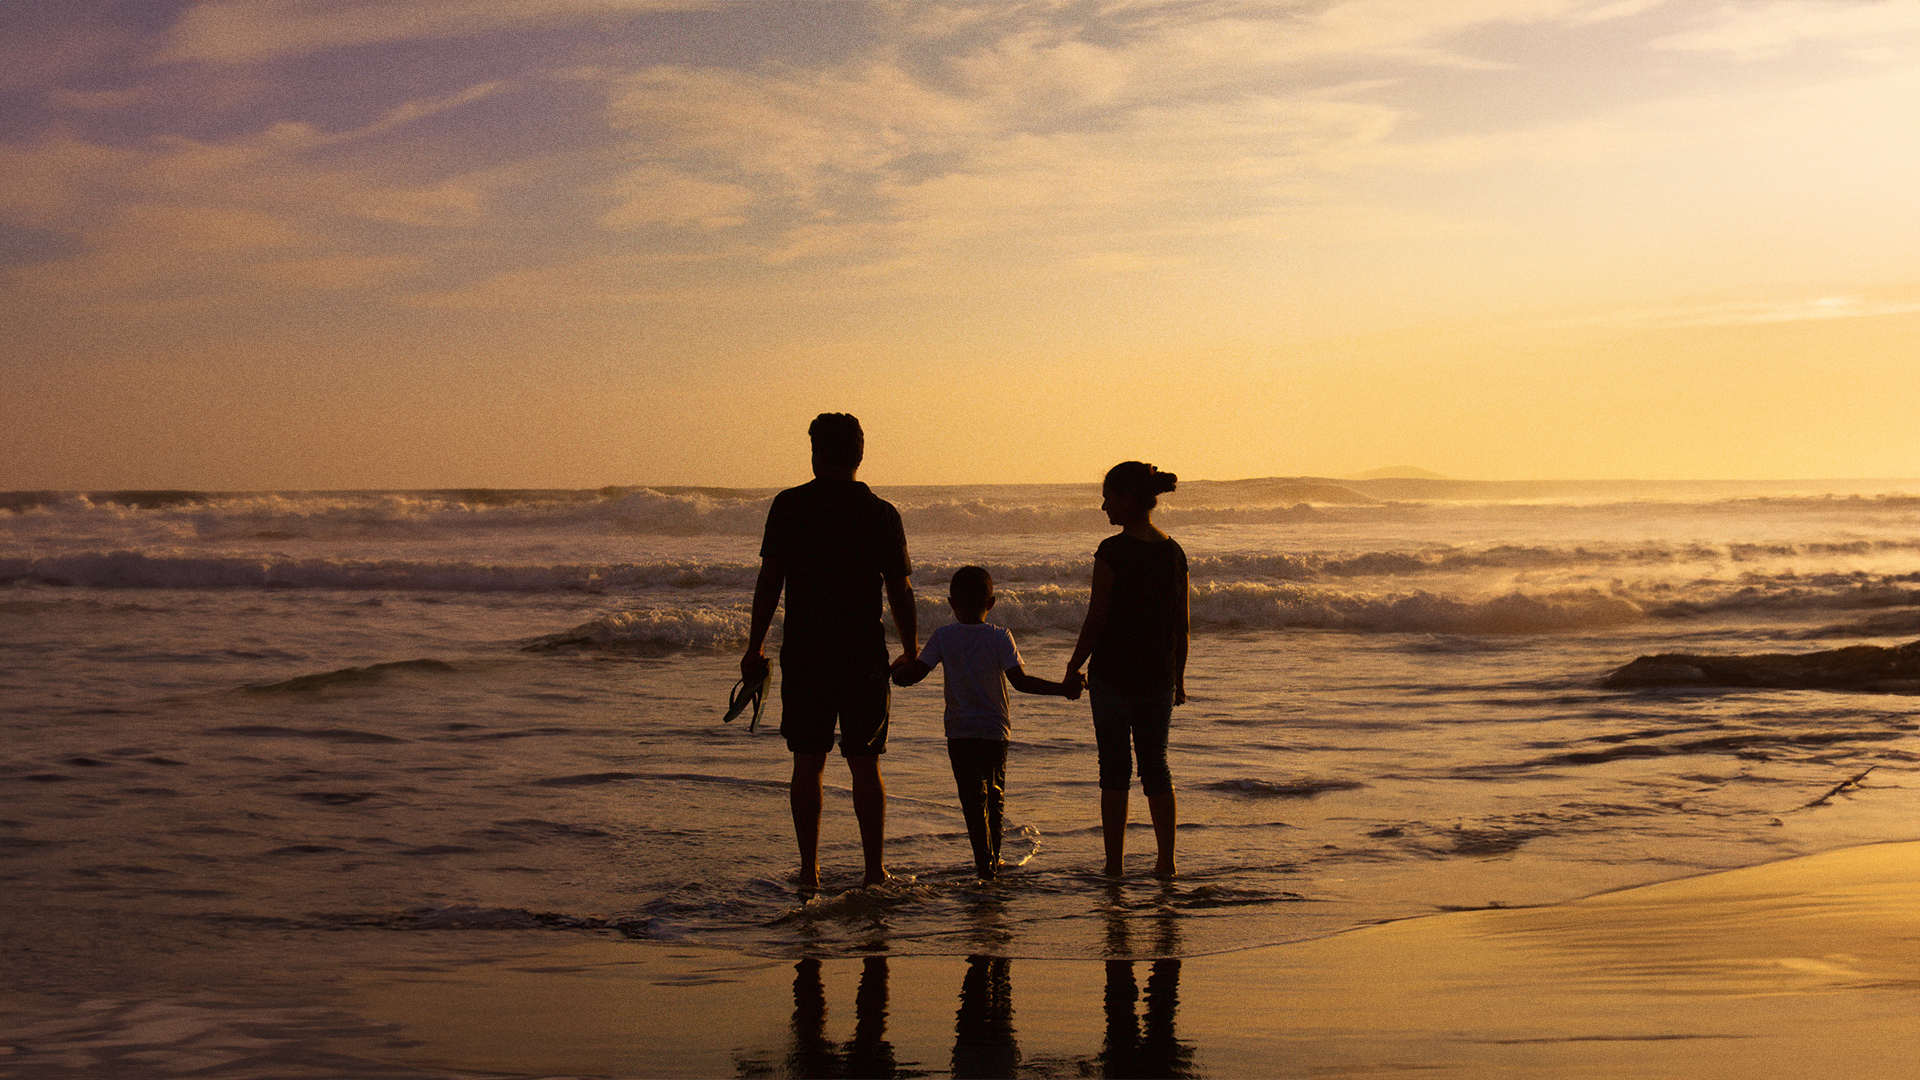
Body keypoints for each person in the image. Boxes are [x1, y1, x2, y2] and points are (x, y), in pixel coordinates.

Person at [743, 413, 917, 891]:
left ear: (815, 453)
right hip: (863, 652)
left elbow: (769, 581)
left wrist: (755, 645)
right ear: (860, 455)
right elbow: (899, 591)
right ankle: (873, 870)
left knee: (807, 760)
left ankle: (808, 871)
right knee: (865, 761)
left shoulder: (790, 506)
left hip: (807, 650)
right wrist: (911, 649)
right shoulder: (881, 513)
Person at [893, 566, 1080, 879]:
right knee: (995, 796)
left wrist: (892, 671)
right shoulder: (999, 636)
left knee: (971, 799)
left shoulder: (943, 636)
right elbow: (1020, 682)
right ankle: (993, 861)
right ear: (991, 603)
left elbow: (912, 677)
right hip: (995, 731)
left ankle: (984, 864)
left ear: (951, 603)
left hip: (960, 732)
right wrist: (1062, 689)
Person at [1063, 462, 1190, 879]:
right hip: (1158, 676)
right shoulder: (1173, 552)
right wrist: (1180, 678)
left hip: (1113, 676)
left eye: (1109, 497)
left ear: (1128, 500)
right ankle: (1166, 862)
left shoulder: (1112, 551)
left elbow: (1096, 619)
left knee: (1113, 768)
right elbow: (1181, 624)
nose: (1103, 506)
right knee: (1156, 764)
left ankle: (1114, 865)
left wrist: (1072, 666)